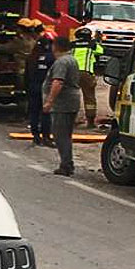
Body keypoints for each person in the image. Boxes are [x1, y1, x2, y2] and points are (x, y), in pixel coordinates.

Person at [43, 36, 82, 176]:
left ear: (56, 47)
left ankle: (66, 165)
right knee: (65, 134)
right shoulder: (72, 59)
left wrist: (49, 101)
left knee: (60, 135)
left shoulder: (62, 62)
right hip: (71, 101)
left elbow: (58, 82)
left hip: (63, 104)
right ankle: (67, 163)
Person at [25, 25, 54, 146]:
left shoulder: (32, 57)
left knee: (34, 112)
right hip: (45, 89)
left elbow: (26, 74)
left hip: (33, 87)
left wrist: (27, 88)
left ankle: (35, 136)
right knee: (46, 112)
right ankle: (46, 136)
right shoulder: (51, 58)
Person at [72, 28, 104, 129]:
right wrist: (97, 41)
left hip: (72, 72)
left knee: (72, 95)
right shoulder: (93, 45)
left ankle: (71, 120)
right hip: (86, 73)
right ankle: (90, 121)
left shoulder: (72, 44)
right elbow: (101, 51)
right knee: (89, 97)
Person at [0, 17, 38, 91]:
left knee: (19, 92)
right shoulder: (33, 40)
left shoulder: (20, 41)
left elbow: (6, 48)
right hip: (29, 71)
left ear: (21, 29)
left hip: (20, 72)